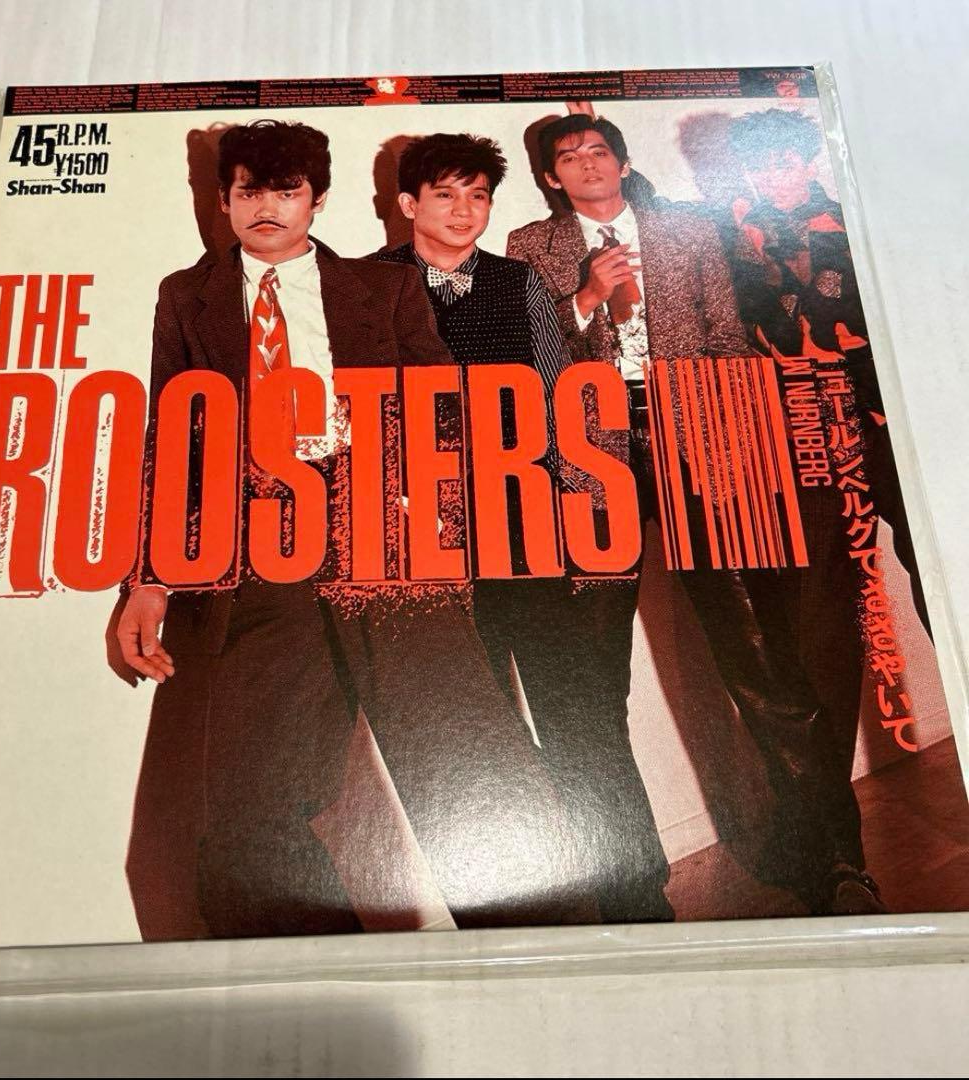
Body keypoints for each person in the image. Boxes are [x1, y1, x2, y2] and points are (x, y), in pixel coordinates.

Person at [116, 119, 580, 941]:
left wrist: (424, 513)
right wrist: (149, 577)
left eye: (286, 190)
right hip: (262, 552)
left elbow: (444, 414)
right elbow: (173, 439)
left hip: (384, 539)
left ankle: (552, 958)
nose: (266, 207)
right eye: (248, 190)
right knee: (251, 809)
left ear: (317, 200)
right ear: (223, 200)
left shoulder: (383, 289)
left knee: (469, 771)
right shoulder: (185, 297)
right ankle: (315, 980)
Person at [507, 112, 882, 916]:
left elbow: (728, 342)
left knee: (760, 654)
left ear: (622, 162)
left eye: (599, 151)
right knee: (592, 668)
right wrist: (585, 297)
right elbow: (532, 358)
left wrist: (727, 444)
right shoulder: (531, 246)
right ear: (550, 178)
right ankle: (633, 891)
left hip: (701, 440)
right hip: (593, 454)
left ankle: (834, 859)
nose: (587, 165)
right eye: (569, 158)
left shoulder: (684, 228)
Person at [371, 132, 673, 921]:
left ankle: (640, 898)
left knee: (583, 716)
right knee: (475, 733)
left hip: (531, 525)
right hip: (434, 542)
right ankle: (539, 908)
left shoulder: (517, 281)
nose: (463, 210)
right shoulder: (370, 285)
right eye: (445, 194)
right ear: (407, 204)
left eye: (477, 196)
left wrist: (578, 510)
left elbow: (555, 390)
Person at [717, 107, 933, 910]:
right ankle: (839, 855)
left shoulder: (859, 220)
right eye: (762, 160)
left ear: (810, 157)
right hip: (801, 446)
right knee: (821, 636)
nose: (778, 172)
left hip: (891, 427)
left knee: (948, 591)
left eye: (788, 156)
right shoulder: (729, 243)